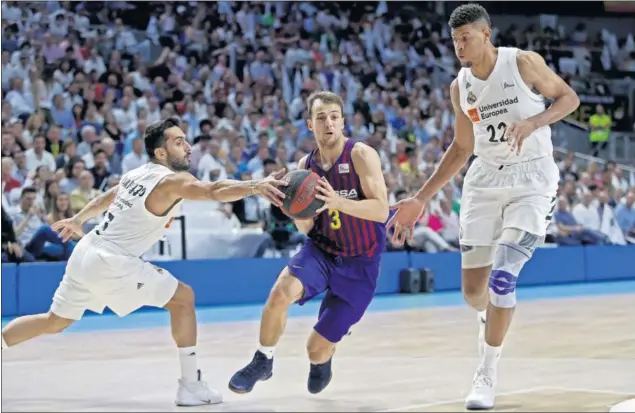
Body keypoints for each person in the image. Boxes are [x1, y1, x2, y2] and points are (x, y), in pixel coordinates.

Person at [1, 118, 288, 407]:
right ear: (161, 153)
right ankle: (190, 386)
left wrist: (80, 218)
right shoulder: (172, 180)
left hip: (86, 252)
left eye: (185, 140)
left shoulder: (136, 174)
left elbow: (111, 195)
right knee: (183, 298)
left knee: (54, 321)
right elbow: (213, 191)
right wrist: (256, 186)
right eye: (178, 142)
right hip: (111, 260)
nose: (188, 147)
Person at [387, 4, 580, 410]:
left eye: (466, 37)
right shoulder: (460, 87)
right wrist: (420, 197)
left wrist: (534, 122)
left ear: (486, 34)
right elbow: (462, 147)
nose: (459, 46)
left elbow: (569, 98)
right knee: (475, 293)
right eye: (455, 39)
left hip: (531, 179)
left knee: (503, 277)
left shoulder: (523, 63)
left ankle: (486, 372)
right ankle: (487, 315)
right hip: (485, 180)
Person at [228, 91, 388, 395]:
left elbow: (381, 210)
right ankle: (263, 359)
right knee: (280, 292)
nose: (328, 123)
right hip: (322, 250)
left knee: (315, 350)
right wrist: (291, 209)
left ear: (342, 122)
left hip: (360, 263)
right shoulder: (304, 166)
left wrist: (337, 201)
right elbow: (307, 226)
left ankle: (323, 360)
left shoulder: (361, 155)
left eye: (334, 117)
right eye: (321, 117)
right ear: (310, 124)